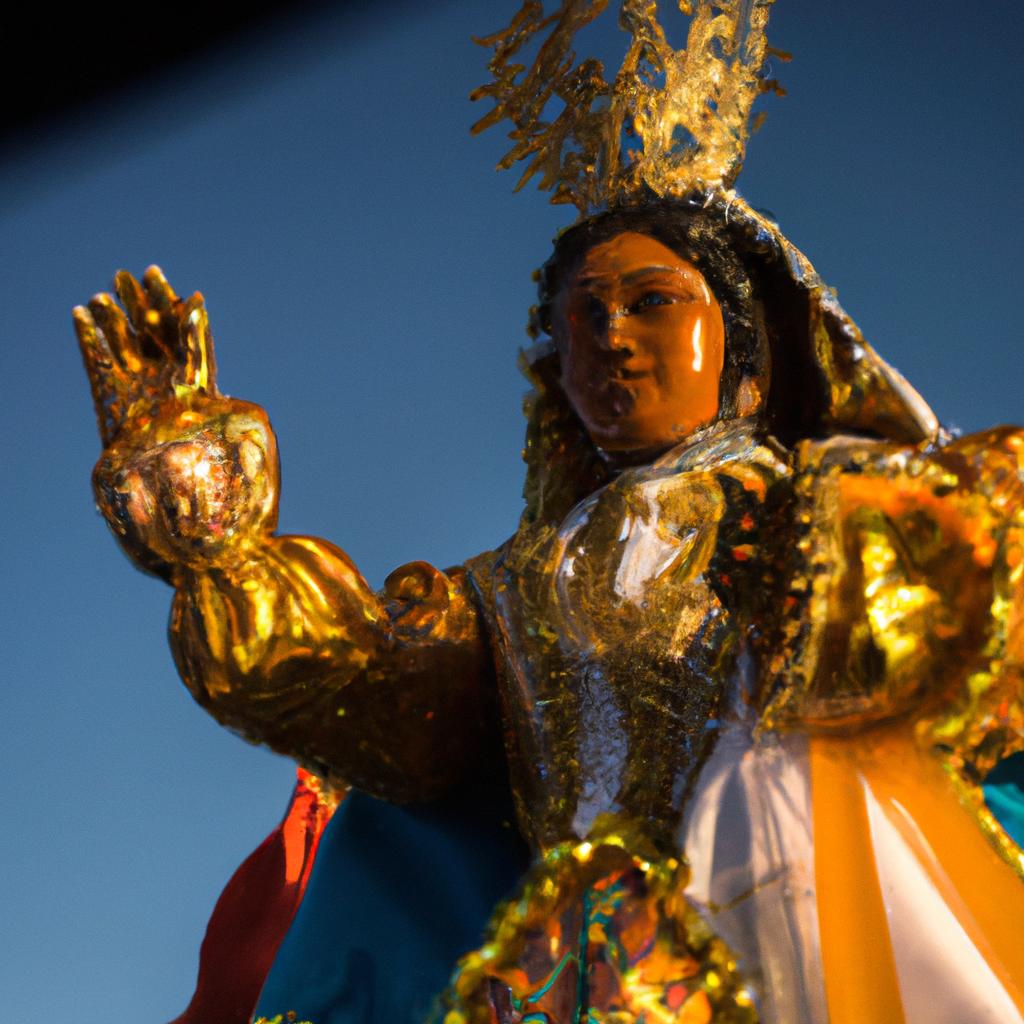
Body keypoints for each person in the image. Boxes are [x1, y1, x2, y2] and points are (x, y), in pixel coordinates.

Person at [73, 3, 1024, 1021]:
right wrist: (211, 530)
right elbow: (373, 704)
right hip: (571, 978)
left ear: (744, 356)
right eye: (583, 313)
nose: (611, 335)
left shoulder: (841, 502)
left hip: (802, 931)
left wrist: (824, 582)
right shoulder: (512, 588)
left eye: (653, 299)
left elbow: (968, 603)